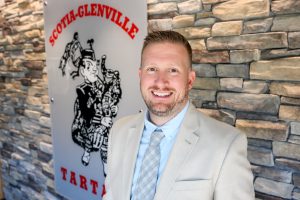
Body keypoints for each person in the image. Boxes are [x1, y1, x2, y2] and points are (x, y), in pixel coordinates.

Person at [103, 30, 255, 200]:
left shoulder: (227, 146)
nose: (161, 82)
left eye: (173, 70)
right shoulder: (119, 131)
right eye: (152, 69)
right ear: (140, 76)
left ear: (190, 80)